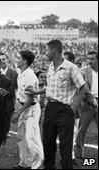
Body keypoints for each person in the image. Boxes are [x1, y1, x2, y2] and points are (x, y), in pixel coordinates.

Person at [25, 39, 86, 169]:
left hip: (65, 110)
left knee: (65, 145)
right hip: (50, 108)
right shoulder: (50, 67)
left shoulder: (71, 67)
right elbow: (50, 88)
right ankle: (49, 167)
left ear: (54, 50)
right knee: (48, 143)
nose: (45, 53)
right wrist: (36, 91)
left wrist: (73, 107)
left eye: (47, 50)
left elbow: (82, 87)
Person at [12, 51, 44, 169]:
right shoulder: (22, 73)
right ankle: (25, 163)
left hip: (31, 109)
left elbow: (30, 98)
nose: (17, 60)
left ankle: (37, 165)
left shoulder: (29, 75)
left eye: (19, 58)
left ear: (24, 61)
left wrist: (18, 113)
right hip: (23, 106)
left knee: (31, 138)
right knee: (22, 137)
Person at [75, 51, 98, 160]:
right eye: (88, 59)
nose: (89, 61)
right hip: (88, 103)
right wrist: (90, 97)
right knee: (82, 130)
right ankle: (79, 154)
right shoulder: (83, 71)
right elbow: (81, 87)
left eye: (92, 59)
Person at [0, 51, 18, 141]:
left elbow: (18, 86)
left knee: (7, 119)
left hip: (9, 101)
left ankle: (6, 132)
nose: (2, 61)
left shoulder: (13, 73)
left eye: (4, 59)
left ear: (7, 60)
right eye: (0, 59)